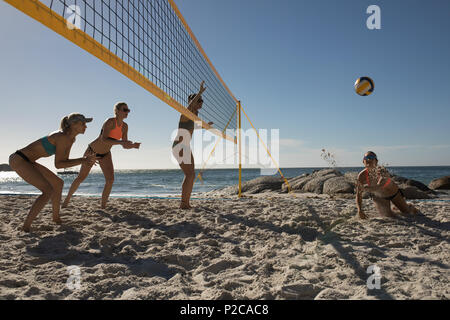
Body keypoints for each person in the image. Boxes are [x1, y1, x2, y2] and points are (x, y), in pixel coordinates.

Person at [8, 113, 96, 232]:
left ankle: (56, 218)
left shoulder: (71, 139)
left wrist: (84, 161)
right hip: (19, 159)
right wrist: (83, 160)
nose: (86, 126)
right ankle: (26, 227)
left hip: (29, 161)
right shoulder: (62, 137)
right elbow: (58, 164)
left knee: (58, 183)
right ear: (74, 125)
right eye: (83, 123)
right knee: (48, 190)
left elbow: (64, 162)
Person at [62, 102, 140, 209]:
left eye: (128, 110)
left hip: (106, 154)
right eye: (124, 110)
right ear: (117, 111)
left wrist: (133, 146)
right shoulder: (109, 122)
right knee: (81, 178)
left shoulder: (125, 127)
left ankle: (103, 206)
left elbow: (124, 145)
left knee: (110, 180)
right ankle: (66, 201)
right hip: (92, 152)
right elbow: (104, 139)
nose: (127, 112)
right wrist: (122, 142)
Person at [172, 81, 213, 209]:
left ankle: (186, 203)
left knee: (191, 175)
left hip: (185, 146)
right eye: (198, 100)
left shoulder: (195, 114)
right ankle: (184, 204)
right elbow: (190, 105)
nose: (201, 102)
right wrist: (199, 92)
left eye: (201, 100)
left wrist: (205, 126)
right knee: (189, 175)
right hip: (179, 146)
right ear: (192, 102)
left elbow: (192, 127)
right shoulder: (185, 112)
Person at [356, 151, 419, 219]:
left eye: (371, 157)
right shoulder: (361, 176)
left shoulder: (382, 171)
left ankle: (409, 207)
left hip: (394, 194)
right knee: (389, 216)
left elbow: (379, 186)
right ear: (363, 161)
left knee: (407, 212)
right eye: (366, 158)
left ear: (376, 161)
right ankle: (394, 208)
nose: (368, 159)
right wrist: (359, 210)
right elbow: (358, 195)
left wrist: (367, 188)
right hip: (380, 197)